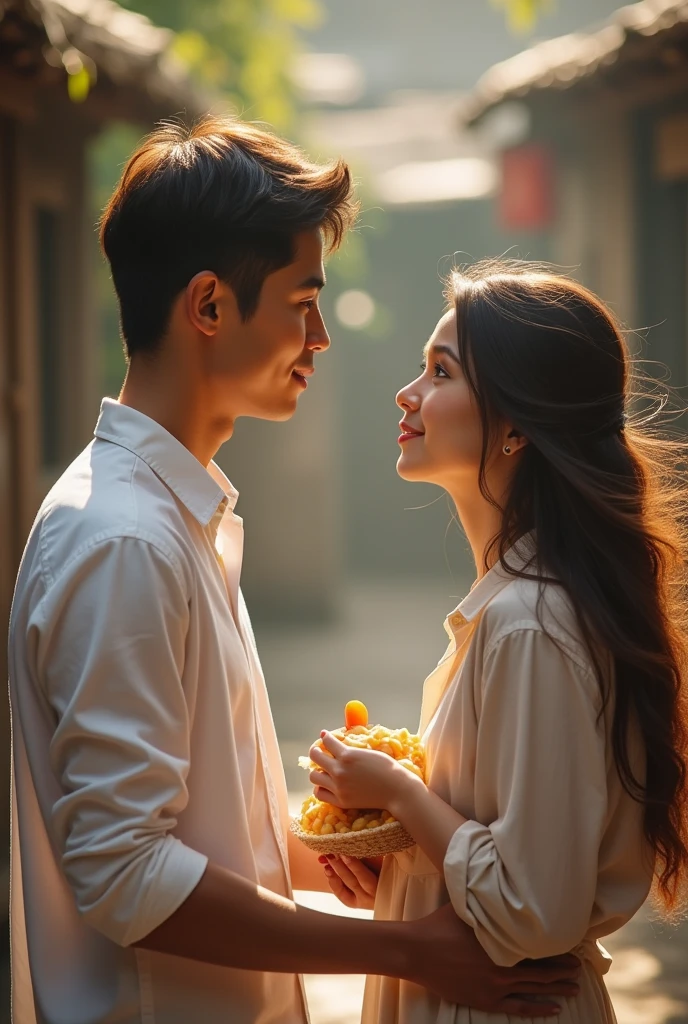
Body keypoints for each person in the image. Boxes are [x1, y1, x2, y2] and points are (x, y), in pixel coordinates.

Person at [7, 125, 580, 1024]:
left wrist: (346, 852)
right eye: (301, 302)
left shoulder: (177, 520)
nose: (318, 337)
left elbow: (195, 831)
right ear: (208, 307)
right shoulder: (126, 540)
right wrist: (404, 950)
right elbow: (124, 873)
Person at [310, 261, 688, 1024]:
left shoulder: (529, 624)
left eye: (440, 371)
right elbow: (509, 859)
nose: (407, 393)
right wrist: (401, 863)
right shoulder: (512, 611)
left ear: (516, 425)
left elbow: (533, 910)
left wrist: (399, 792)